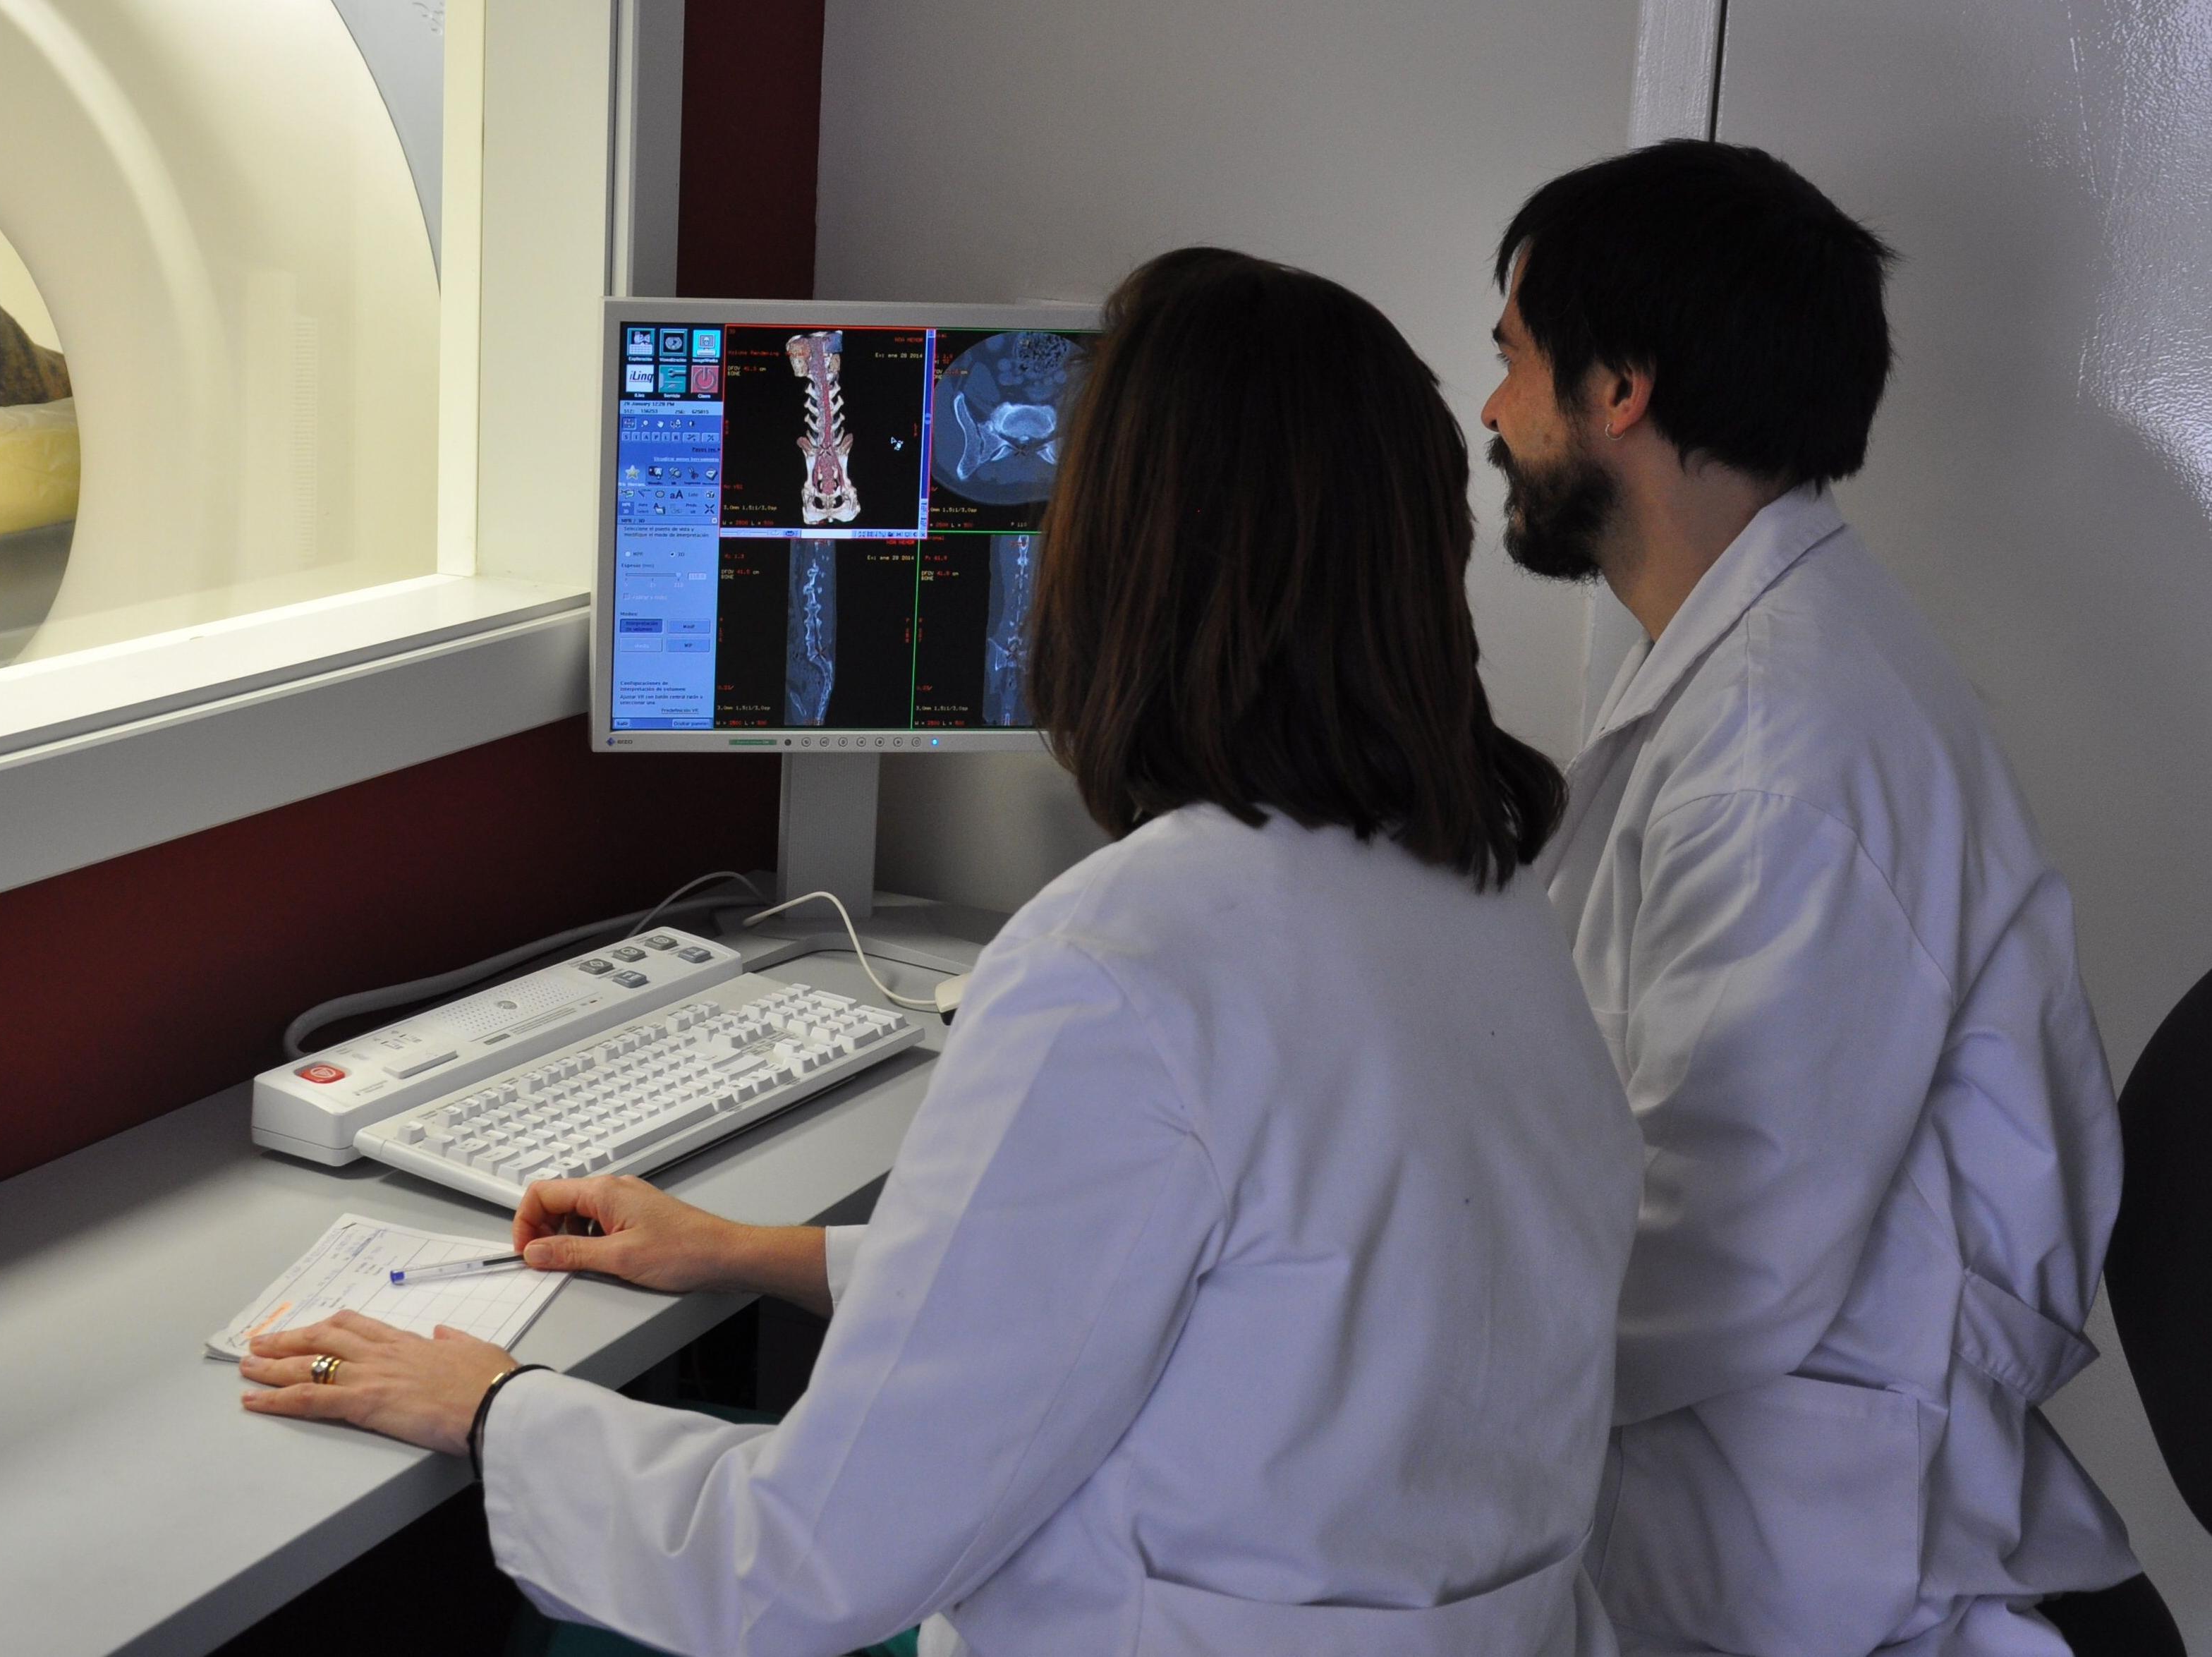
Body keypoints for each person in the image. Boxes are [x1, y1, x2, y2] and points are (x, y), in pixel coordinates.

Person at [242, 248, 1646, 1656]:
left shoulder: (1121, 965)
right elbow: (1196, 1286)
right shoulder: (1485, 902)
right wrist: (750, 1251)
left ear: (1118, 560)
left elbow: (795, 1566)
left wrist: (495, 1408)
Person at [1480, 141, 2144, 1655]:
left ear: (1619, 387)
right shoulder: (1754, 668)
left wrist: (1420, 1343)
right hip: (1758, 1484)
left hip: (1811, 1550)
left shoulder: (1786, 747)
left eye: (1513, 360)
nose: (1492, 412)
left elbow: (1719, 1257)